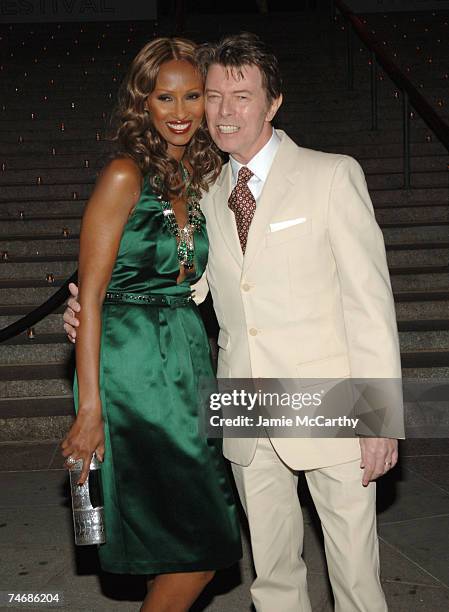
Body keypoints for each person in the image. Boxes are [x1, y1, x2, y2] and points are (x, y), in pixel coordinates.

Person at [64, 33, 404, 612]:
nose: (223, 111)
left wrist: (380, 418)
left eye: (240, 96)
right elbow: (184, 280)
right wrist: (96, 309)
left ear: (273, 103)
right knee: (271, 579)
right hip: (242, 406)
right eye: (214, 95)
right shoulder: (206, 191)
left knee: (354, 579)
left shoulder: (330, 175)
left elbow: (370, 304)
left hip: (329, 403)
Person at [60, 37, 241, 612]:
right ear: (144, 103)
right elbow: (89, 294)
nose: (182, 112)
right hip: (132, 366)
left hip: (185, 356)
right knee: (203, 544)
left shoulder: (194, 177)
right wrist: (91, 410)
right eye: (166, 97)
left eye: (193, 97)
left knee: (175, 536)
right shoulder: (123, 174)